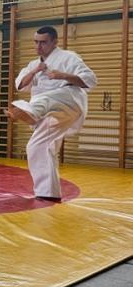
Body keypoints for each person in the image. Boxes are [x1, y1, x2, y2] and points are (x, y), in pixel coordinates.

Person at [6, 26, 97, 200]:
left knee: (45, 99)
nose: (38, 46)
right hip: (51, 115)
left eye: (43, 42)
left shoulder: (68, 58)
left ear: (55, 42)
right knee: (38, 146)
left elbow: (90, 80)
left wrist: (63, 75)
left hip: (69, 101)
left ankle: (29, 112)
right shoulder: (33, 64)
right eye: (36, 42)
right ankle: (48, 193)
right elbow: (20, 85)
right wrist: (35, 71)